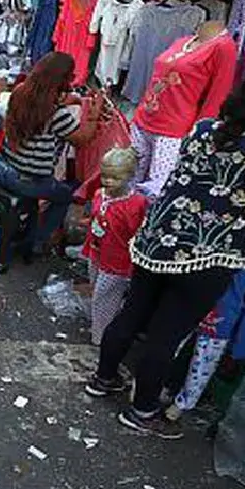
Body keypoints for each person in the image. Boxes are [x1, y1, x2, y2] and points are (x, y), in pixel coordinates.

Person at [86, 60, 245, 439]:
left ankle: (103, 380)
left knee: (132, 313)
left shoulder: (205, 130)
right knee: (166, 334)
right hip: (207, 257)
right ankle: (142, 412)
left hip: (157, 240)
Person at [0, 53, 101, 259]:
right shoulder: (56, 114)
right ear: (62, 80)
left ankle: (15, 229)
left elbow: (44, 103)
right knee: (67, 194)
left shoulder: (20, 92)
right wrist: (93, 115)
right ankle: (37, 241)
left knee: (46, 190)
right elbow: (82, 139)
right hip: (26, 180)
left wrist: (71, 100)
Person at [80, 147, 148, 346]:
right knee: (98, 289)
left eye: (115, 178)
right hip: (97, 249)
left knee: (105, 295)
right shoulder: (101, 194)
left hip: (119, 260)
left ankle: (100, 336)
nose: (108, 181)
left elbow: (138, 233)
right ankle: (100, 324)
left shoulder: (136, 204)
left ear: (129, 176)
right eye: (105, 176)